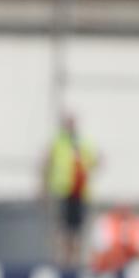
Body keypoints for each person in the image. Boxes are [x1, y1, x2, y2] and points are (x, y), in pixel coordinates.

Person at [43, 114, 98, 267]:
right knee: (62, 229)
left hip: (80, 193)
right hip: (62, 191)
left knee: (77, 230)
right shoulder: (57, 143)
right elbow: (47, 164)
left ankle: (74, 262)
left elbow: (93, 162)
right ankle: (62, 261)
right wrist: (44, 188)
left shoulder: (84, 143)